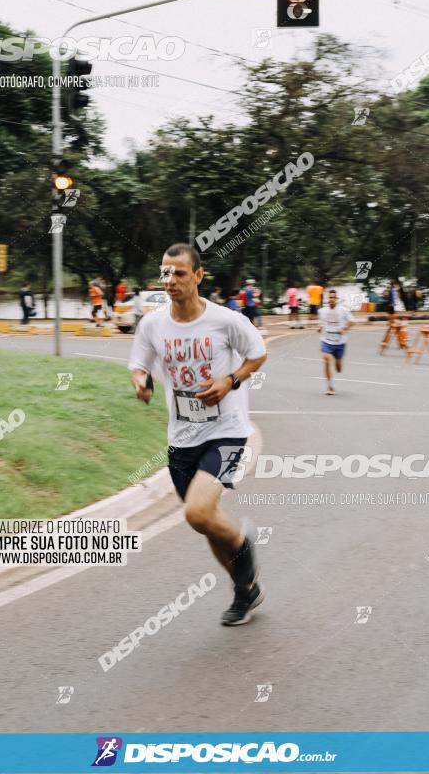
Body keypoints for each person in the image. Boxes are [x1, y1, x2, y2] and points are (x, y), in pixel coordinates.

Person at [129, 243, 267, 626]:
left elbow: (257, 353)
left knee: (197, 512)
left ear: (199, 276)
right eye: (166, 273)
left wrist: (230, 380)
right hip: (182, 437)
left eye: (179, 273)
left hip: (226, 431)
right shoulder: (153, 324)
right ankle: (245, 591)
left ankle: (244, 545)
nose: (170, 281)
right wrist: (142, 383)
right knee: (206, 524)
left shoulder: (226, 321)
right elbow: (139, 365)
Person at [318, 288, 354, 395]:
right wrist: (319, 328)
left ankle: (338, 361)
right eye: (330, 297)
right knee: (326, 359)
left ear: (337, 299)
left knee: (339, 368)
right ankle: (330, 386)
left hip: (340, 343)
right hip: (326, 341)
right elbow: (321, 324)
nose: (331, 299)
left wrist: (345, 329)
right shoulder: (322, 311)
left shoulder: (343, 310)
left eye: (333, 297)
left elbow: (352, 321)